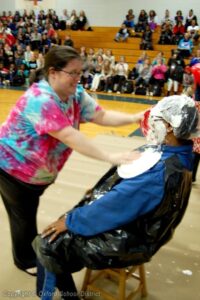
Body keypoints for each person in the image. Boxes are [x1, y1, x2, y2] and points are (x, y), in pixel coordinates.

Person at [33, 95, 199, 300]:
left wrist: (71, 220)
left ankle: (54, 295)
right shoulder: (183, 154)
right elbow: (124, 192)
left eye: (157, 119)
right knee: (69, 220)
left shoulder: (157, 172)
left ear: (171, 127)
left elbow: (112, 207)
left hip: (133, 239)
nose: (152, 123)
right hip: (147, 225)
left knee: (47, 243)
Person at [0, 45, 144, 276]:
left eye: (80, 72)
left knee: (24, 214)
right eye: (73, 73)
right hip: (13, 170)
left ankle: (26, 254)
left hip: (35, 173)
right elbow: (70, 136)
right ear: (53, 72)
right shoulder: (40, 100)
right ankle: (25, 260)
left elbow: (100, 115)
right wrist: (110, 157)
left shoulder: (74, 93)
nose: (79, 78)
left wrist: (135, 118)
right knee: (23, 218)